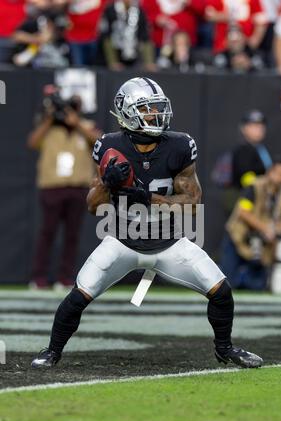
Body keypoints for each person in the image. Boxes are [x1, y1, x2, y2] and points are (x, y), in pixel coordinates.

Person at [31, 77, 263, 369]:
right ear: (127, 112)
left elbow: (193, 204)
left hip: (168, 242)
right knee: (79, 296)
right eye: (148, 108)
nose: (157, 114)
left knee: (221, 291)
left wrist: (149, 198)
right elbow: (93, 206)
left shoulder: (179, 145)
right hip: (122, 241)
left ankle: (225, 348)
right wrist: (106, 182)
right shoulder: (109, 145)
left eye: (157, 107)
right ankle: (52, 350)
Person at [28, 86, 100, 288]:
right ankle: (38, 277)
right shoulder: (49, 127)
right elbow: (32, 142)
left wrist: (76, 124)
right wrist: (50, 119)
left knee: (72, 235)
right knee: (47, 232)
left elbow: (99, 141)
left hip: (78, 187)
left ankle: (65, 277)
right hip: (52, 186)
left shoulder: (85, 125)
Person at [221, 160, 281, 290]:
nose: (279, 177)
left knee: (257, 286)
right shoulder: (255, 186)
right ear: (270, 172)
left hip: (260, 245)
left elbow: (280, 222)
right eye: (277, 173)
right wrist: (265, 228)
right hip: (239, 237)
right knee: (226, 284)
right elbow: (243, 212)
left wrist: (275, 232)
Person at [100, 0, 156, 71]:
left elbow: (145, 36)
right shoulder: (110, 10)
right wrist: (112, 62)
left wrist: (149, 61)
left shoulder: (139, 11)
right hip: (115, 54)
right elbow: (106, 36)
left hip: (134, 56)